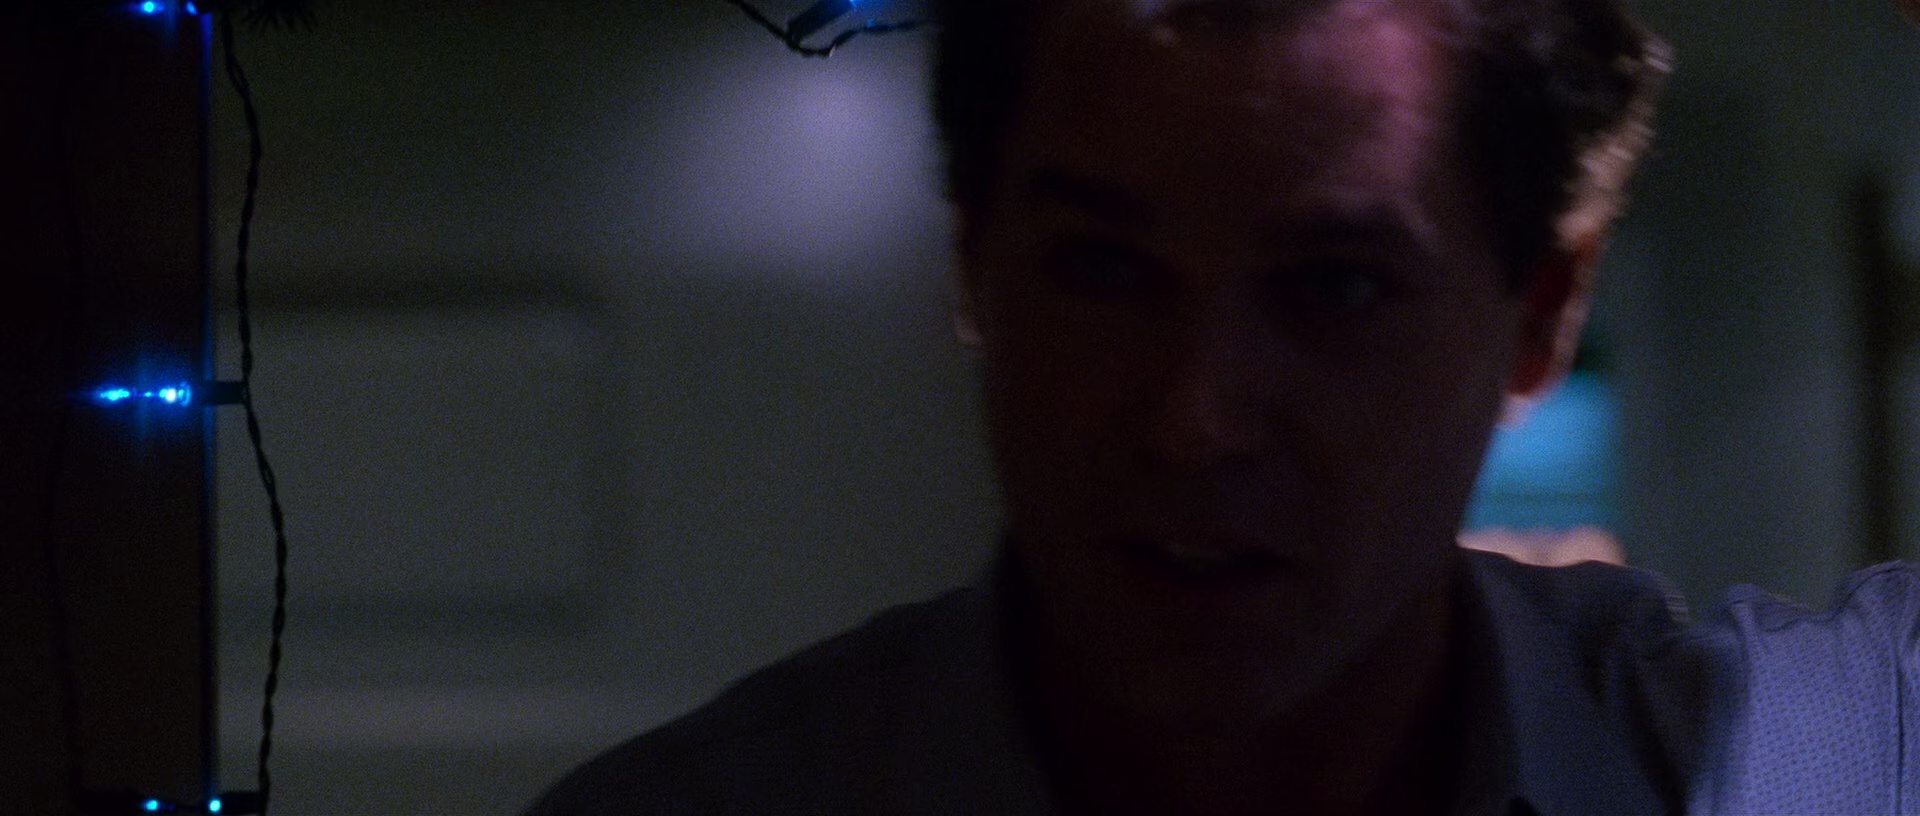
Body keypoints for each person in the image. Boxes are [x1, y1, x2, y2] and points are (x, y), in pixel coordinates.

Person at [526, 0, 1920, 813]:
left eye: (1336, 288)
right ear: (974, 268)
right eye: (1102, 269)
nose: (1194, 418)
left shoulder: (1773, 769)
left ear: (1538, 316)